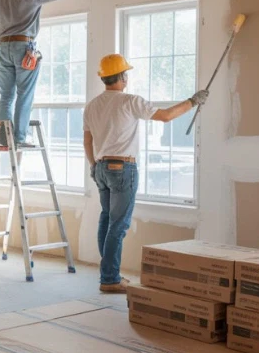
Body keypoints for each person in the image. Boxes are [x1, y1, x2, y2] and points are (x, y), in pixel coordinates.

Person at [83, 54, 208, 293]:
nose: (127, 77)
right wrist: (193, 101)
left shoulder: (92, 105)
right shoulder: (130, 101)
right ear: (121, 77)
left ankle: (109, 273)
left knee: (107, 220)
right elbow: (166, 116)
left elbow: (87, 141)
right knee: (117, 225)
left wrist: (93, 166)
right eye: (125, 73)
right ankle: (109, 279)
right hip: (122, 168)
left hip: (100, 167)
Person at [0, 0, 77, 147]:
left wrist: (1, 42)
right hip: (24, 48)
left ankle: (5, 139)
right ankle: (19, 138)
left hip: (2, 49)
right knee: (24, 93)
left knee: (6, 96)